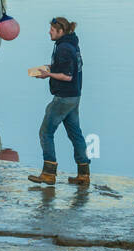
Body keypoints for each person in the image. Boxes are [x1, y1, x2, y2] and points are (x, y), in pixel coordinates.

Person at [27, 17, 89, 186]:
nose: (49, 32)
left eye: (52, 30)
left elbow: (67, 76)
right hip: (75, 96)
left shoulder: (64, 48)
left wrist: (48, 74)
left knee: (45, 132)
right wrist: (50, 68)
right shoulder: (72, 44)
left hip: (64, 98)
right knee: (75, 134)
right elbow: (69, 69)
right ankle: (83, 174)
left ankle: (48, 173)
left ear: (61, 31)